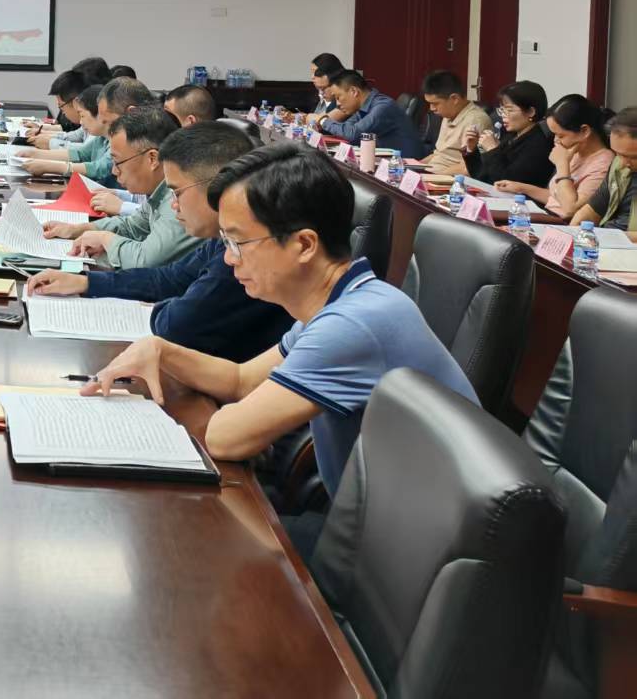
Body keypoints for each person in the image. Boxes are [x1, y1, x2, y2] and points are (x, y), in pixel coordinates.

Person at [81, 143, 476, 504]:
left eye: (238, 243)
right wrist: (159, 350)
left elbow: (224, 438)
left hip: (402, 546)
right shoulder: (345, 301)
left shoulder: (353, 325)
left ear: (304, 245)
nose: (229, 259)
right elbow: (241, 380)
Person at [26, 124, 293, 362]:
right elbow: (169, 279)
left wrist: (169, 303)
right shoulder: (220, 240)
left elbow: (176, 324)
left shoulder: (245, 251)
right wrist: (86, 283)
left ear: (217, 188)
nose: (174, 204)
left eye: (177, 192)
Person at [44, 106, 197, 269]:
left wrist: (105, 239)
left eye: (118, 162)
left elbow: (145, 260)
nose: (114, 171)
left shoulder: (180, 198)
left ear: (152, 159)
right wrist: (76, 230)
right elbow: (132, 226)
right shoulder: (159, 190)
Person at [497, 93, 613, 218]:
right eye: (554, 135)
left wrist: (562, 165)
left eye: (561, 136)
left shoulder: (603, 163)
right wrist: (520, 188)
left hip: (565, 223)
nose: (556, 141)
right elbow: (556, 198)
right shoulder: (575, 151)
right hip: (548, 215)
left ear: (584, 131)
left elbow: (570, 209)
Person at [24, 77, 153, 184]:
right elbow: (80, 153)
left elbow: (101, 169)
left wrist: (50, 166)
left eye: (106, 119)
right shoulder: (104, 137)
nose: (102, 121)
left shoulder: (137, 142)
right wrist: (36, 155)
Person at [316, 69, 426, 158]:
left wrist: (323, 120)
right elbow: (348, 130)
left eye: (338, 97)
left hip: (407, 167)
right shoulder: (363, 107)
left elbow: (353, 134)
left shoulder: (383, 106)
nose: (338, 104)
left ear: (354, 91)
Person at [463, 80, 552, 189]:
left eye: (509, 110)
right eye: (502, 110)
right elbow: (483, 177)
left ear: (530, 112)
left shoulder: (538, 144)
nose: (503, 115)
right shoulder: (511, 136)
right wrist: (472, 150)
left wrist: (492, 149)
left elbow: (507, 183)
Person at [572, 107, 637, 231]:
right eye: (618, 154)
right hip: (606, 237)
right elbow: (591, 211)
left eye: (633, 157)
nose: (623, 163)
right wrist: (572, 234)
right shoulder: (618, 166)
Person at [418, 69, 493, 175]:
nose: (432, 108)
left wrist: (432, 177)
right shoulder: (448, 114)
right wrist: (412, 167)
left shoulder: (476, 120)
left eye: (435, 103)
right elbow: (438, 155)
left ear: (454, 98)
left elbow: (469, 168)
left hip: (449, 180)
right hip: (432, 174)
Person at [30, 70, 89, 148]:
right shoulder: (85, 124)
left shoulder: (95, 121)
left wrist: (50, 144)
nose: (62, 112)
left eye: (61, 106)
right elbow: (74, 136)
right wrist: (44, 135)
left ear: (75, 102)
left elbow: (86, 151)